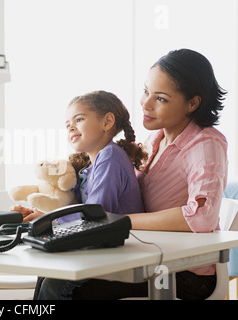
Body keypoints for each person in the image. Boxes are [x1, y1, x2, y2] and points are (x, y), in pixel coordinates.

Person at [50, 49, 227, 300]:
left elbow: (201, 217)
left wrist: (121, 220)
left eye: (161, 98)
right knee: (56, 275)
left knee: (64, 286)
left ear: (192, 103)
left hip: (184, 272)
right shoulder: (155, 139)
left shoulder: (205, 144)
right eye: (146, 92)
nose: (145, 104)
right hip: (147, 256)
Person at [34, 90, 147, 299]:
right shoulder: (90, 166)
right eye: (67, 125)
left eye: (79, 119)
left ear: (107, 122)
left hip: (119, 252)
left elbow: (96, 213)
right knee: (47, 272)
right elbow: (76, 207)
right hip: (102, 248)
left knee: (54, 284)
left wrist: (49, 223)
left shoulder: (110, 157)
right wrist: (40, 215)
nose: (71, 127)